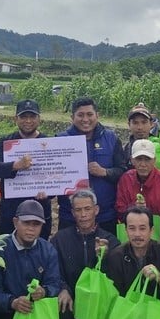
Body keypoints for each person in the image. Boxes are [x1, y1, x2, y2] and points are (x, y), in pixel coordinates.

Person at [50, 189, 120, 319]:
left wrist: (106, 257)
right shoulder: (60, 239)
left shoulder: (110, 240)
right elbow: (52, 270)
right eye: (78, 210)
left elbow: (118, 277)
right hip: (72, 302)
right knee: (62, 309)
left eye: (87, 209)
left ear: (96, 210)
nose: (83, 215)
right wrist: (63, 288)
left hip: (100, 305)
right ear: (72, 212)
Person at [56, 98, 126, 234]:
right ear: (72, 117)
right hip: (70, 216)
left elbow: (122, 171)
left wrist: (105, 172)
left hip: (105, 215)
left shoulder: (111, 138)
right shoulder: (60, 140)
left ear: (97, 115)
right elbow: (51, 175)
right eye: (80, 115)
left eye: (89, 114)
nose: (85, 119)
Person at [0, 99, 53, 237]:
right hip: (11, 209)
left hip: (39, 207)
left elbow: (57, 175)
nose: (28, 121)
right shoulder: (6, 141)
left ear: (39, 119)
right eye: (23, 117)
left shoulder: (49, 143)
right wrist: (16, 165)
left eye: (32, 117)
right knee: (7, 246)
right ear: (16, 119)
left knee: (39, 246)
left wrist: (49, 192)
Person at [105, 207, 160, 299]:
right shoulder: (116, 256)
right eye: (132, 228)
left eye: (142, 228)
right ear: (126, 231)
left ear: (151, 231)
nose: (137, 234)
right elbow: (114, 295)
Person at [115, 139, 160, 242]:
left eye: (147, 159)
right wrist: (133, 208)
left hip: (158, 241)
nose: (143, 164)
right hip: (130, 240)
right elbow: (119, 210)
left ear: (154, 160)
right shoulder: (125, 179)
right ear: (132, 160)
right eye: (139, 159)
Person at [122, 103, 160, 174]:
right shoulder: (124, 152)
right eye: (135, 123)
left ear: (151, 124)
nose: (140, 127)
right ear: (129, 125)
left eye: (144, 122)